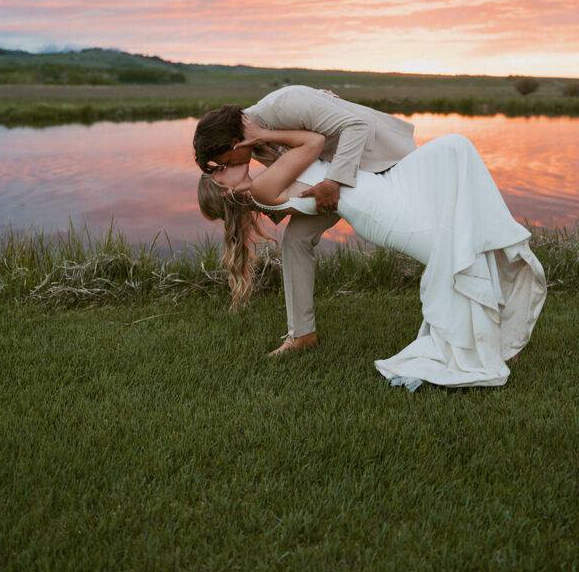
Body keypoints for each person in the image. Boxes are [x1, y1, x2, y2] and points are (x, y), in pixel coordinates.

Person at [198, 118, 547, 389]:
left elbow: (311, 175)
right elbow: (313, 142)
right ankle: (492, 346)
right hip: (381, 212)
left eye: (219, 165)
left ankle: (498, 339)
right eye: (218, 172)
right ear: (226, 190)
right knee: (459, 251)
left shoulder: (268, 181)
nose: (224, 166)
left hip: (382, 192)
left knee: (457, 154)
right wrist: (259, 135)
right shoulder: (262, 188)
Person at [193, 86, 416, 354]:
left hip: (382, 158)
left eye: (224, 162)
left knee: (410, 233)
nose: (226, 168)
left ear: (233, 143)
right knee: (295, 240)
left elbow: (356, 127)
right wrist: (251, 198)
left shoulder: (286, 104)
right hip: (333, 179)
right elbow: (289, 188)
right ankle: (302, 335)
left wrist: (333, 182)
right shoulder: (256, 148)